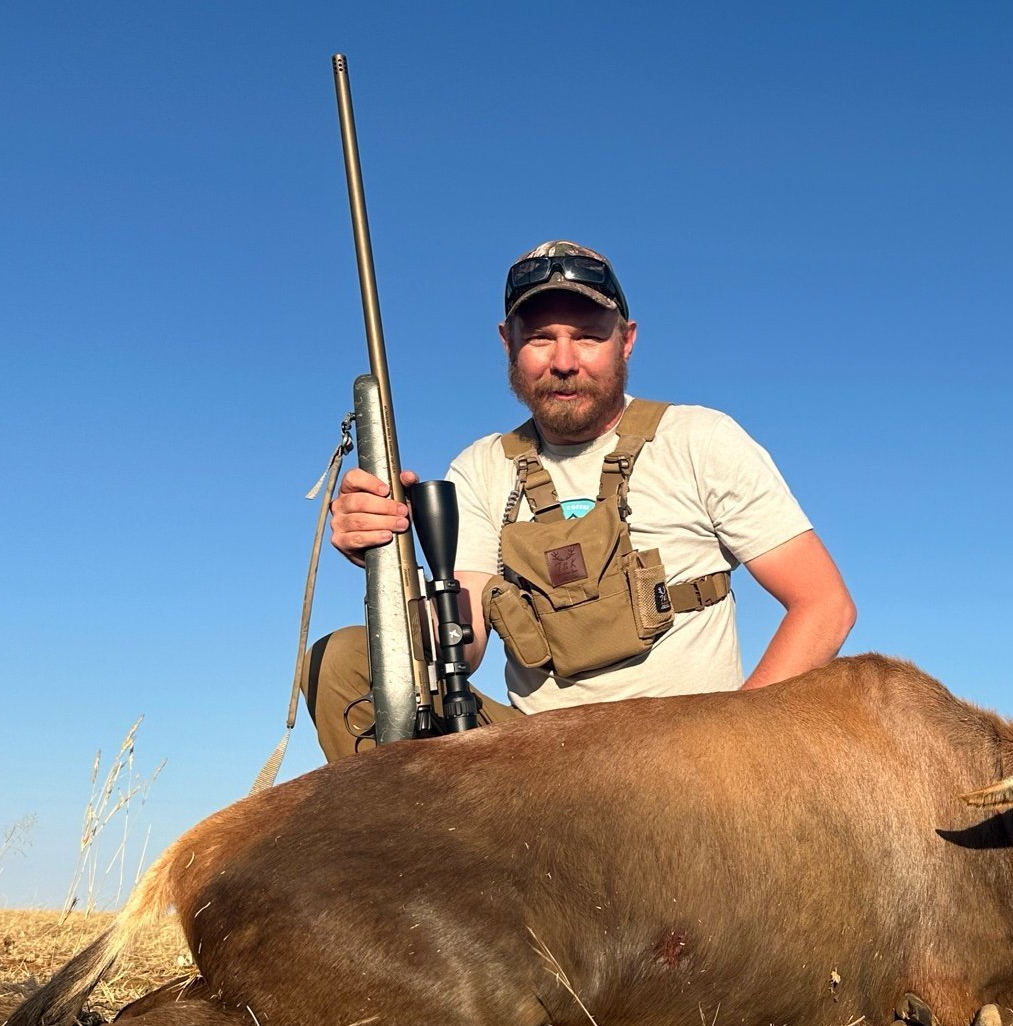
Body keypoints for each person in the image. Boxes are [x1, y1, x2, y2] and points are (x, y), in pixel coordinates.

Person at [307, 240, 856, 761]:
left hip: (686, 760)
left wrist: (734, 745)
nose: (564, 360)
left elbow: (824, 605)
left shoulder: (699, 438)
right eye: (541, 338)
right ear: (508, 342)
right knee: (339, 662)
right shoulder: (479, 468)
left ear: (627, 339)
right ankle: (424, 857)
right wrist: (391, 557)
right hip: (533, 762)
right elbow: (464, 649)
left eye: (589, 336)